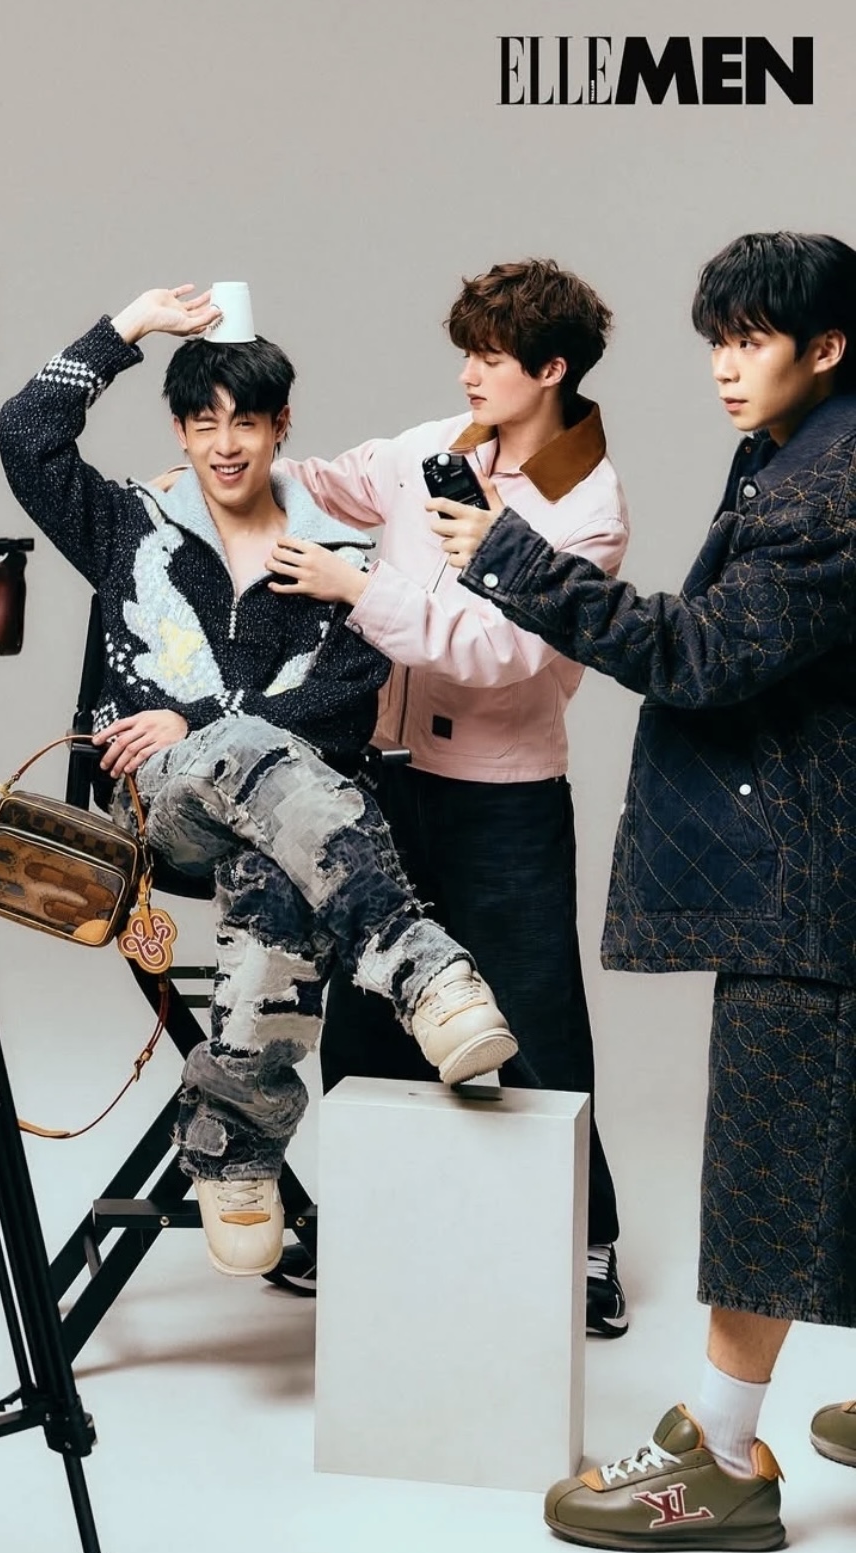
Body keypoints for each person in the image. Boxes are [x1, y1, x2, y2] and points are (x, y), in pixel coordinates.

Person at [434, 230, 856, 1552]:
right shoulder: (801, 448)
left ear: (826, 347)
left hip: (813, 878)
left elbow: (700, 653)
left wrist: (512, 557)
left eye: (751, 341)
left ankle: (720, 1460)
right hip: (831, 848)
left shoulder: (825, 487)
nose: (724, 367)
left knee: (769, 1158)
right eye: (715, 340)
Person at [0, 285, 518, 1280]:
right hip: (159, 812)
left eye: (245, 421)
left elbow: (344, 711)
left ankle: (235, 1149)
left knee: (275, 870)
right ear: (180, 430)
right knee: (247, 754)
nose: (225, 444)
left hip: (290, 832)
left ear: (283, 424)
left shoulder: (339, 561)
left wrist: (200, 718)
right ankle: (421, 969)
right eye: (203, 422)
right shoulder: (128, 526)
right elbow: (25, 436)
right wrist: (128, 327)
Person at [253, 259, 631, 1337]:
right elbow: (324, 482)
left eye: (492, 357)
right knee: (367, 1011)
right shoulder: (432, 448)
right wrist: (230, 457)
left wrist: (355, 585)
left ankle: (585, 1242)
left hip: (504, 796)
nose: (469, 372)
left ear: (551, 370)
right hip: (383, 777)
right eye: (465, 350)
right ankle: (364, 1226)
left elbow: (498, 650)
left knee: (535, 1020)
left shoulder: (588, 506)